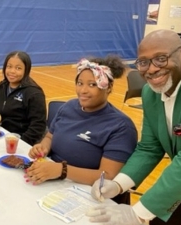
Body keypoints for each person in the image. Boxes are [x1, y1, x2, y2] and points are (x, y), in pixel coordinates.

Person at [87, 30, 181, 225]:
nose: (151, 69)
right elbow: (150, 147)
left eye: (160, 59)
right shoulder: (150, 93)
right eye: (143, 62)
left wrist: (137, 214)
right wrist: (118, 184)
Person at [25, 56, 137, 204]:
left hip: (88, 197)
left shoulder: (121, 126)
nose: (83, 90)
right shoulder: (68, 107)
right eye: (80, 83)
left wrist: (61, 170)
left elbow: (108, 177)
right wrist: (43, 147)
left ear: (108, 87)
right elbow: (50, 137)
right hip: (51, 183)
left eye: (92, 84)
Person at [0, 51, 47, 146]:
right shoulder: (2, 86)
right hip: (0, 135)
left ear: (26, 70)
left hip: (18, 141)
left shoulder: (34, 93)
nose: (12, 71)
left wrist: (20, 144)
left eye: (18, 68)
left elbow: (38, 126)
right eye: (9, 66)